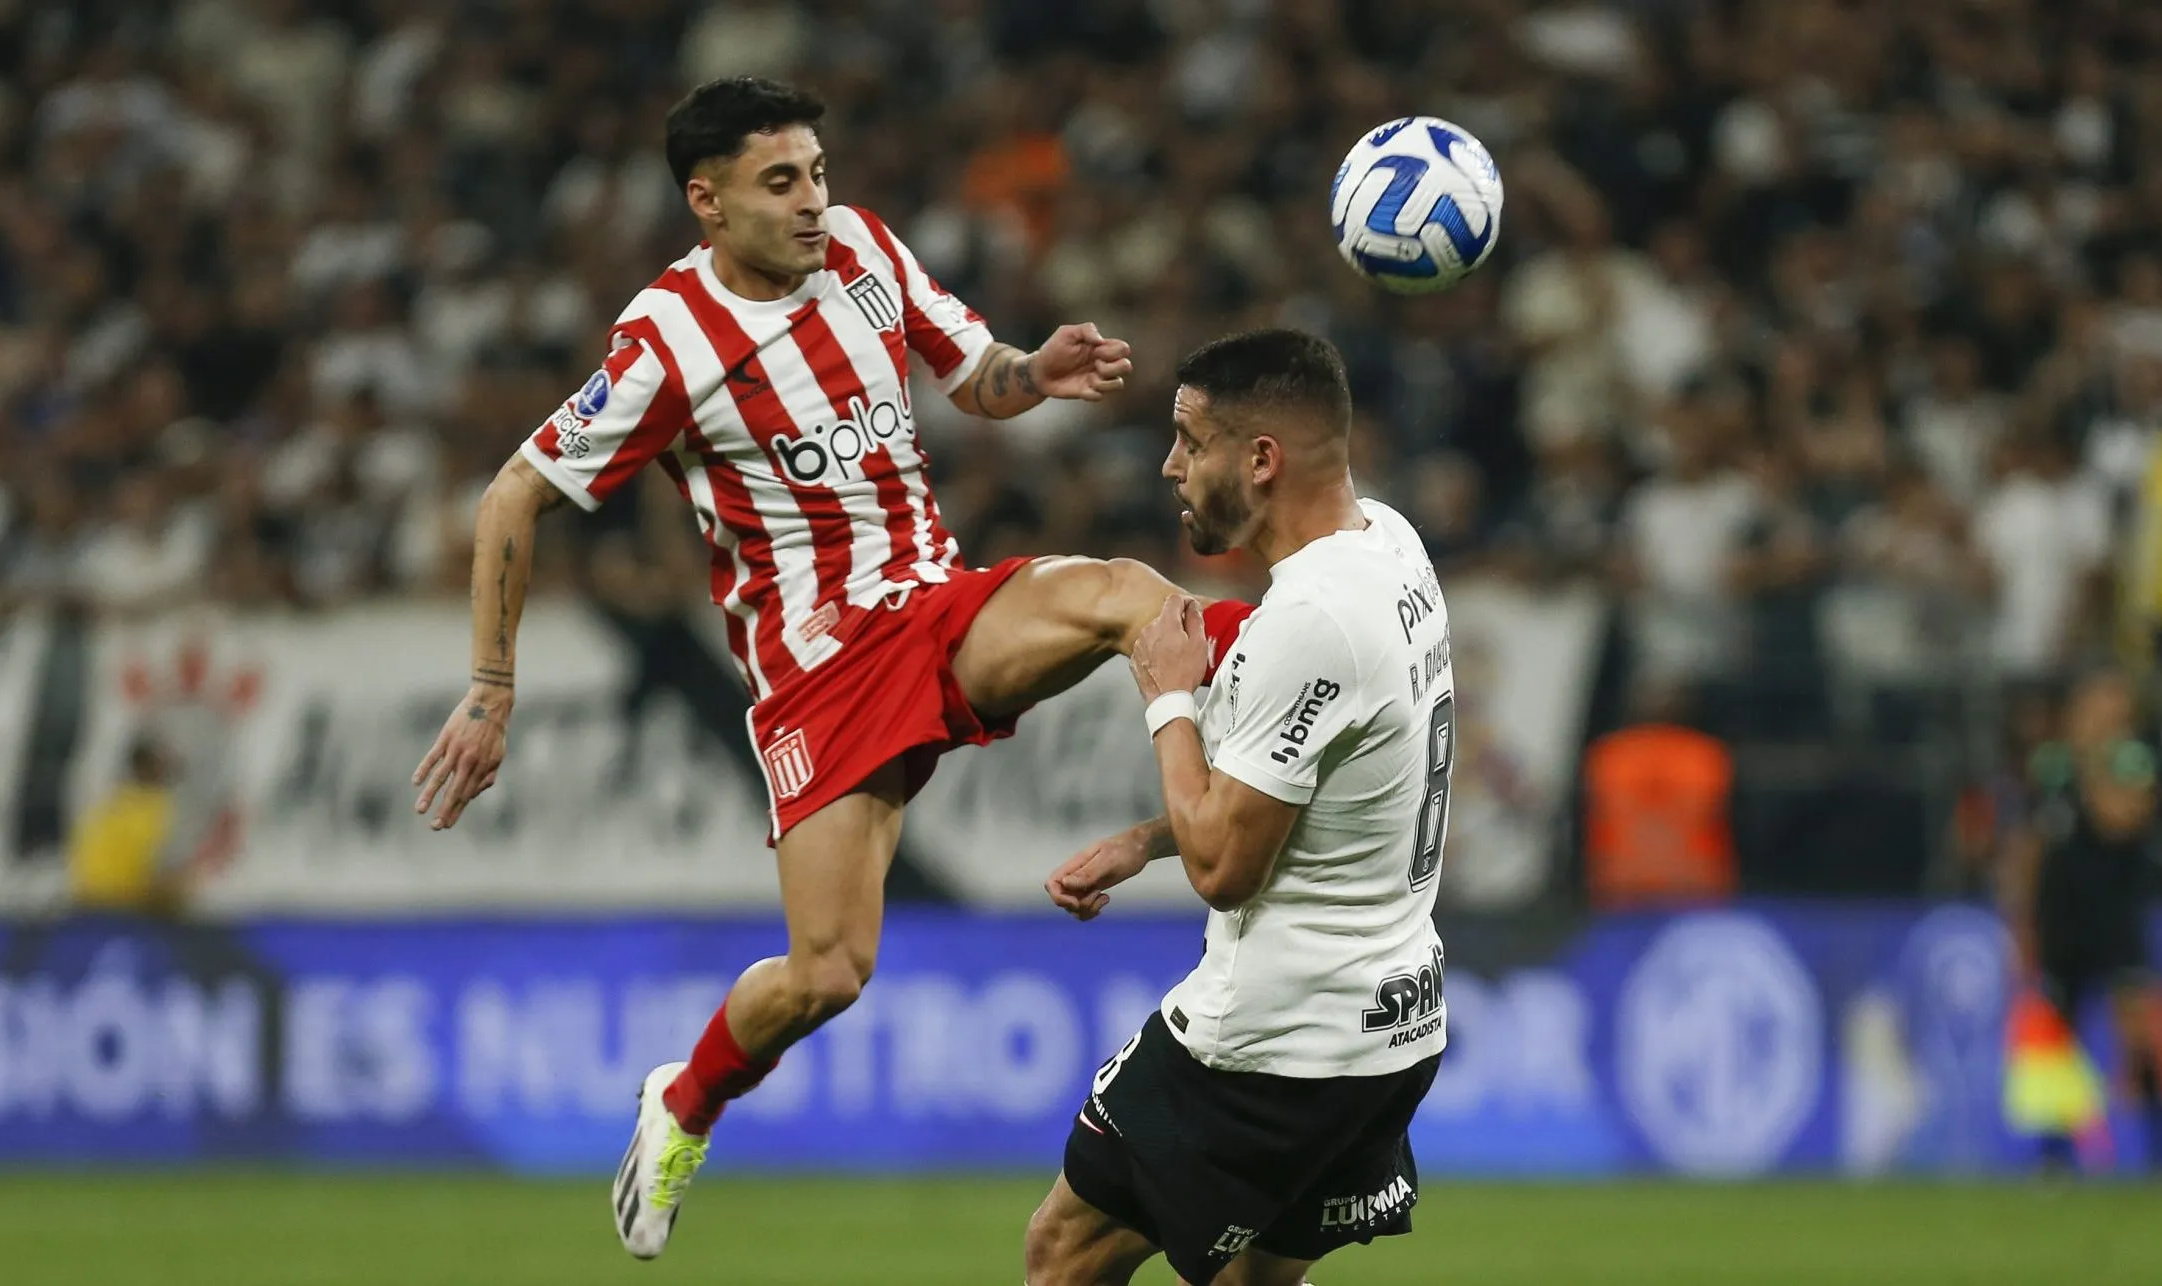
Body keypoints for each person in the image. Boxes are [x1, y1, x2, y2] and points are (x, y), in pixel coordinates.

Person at [404, 77, 1248, 1258]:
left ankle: (1267, 713)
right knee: (827, 972)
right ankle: (683, 1100)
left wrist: (1035, 370)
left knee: (1125, 594)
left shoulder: (860, 247)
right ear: (708, 203)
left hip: (935, 611)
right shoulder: (664, 342)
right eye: (780, 181)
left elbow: (975, 374)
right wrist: (492, 688)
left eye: (817, 172)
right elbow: (512, 495)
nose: (815, 202)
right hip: (815, 677)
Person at [1024, 331, 1450, 1286]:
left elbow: (1227, 870)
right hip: (1392, 1029)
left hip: (1273, 1044)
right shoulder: (1390, 544)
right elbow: (1320, 799)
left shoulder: (1310, 621)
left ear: (1261, 460)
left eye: (1190, 439)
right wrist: (1146, 839)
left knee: (1063, 1253)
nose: (1170, 465)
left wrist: (1168, 696)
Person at [2004, 668, 2162, 1174]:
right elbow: (2032, 839)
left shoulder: (2131, 758)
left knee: (2136, 1031)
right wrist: (2021, 915)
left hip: (2115, 911)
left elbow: (2122, 819)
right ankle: (2055, 1153)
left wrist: (2092, 766)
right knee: (2057, 1035)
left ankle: (2161, 1149)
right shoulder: (2051, 764)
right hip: (2062, 915)